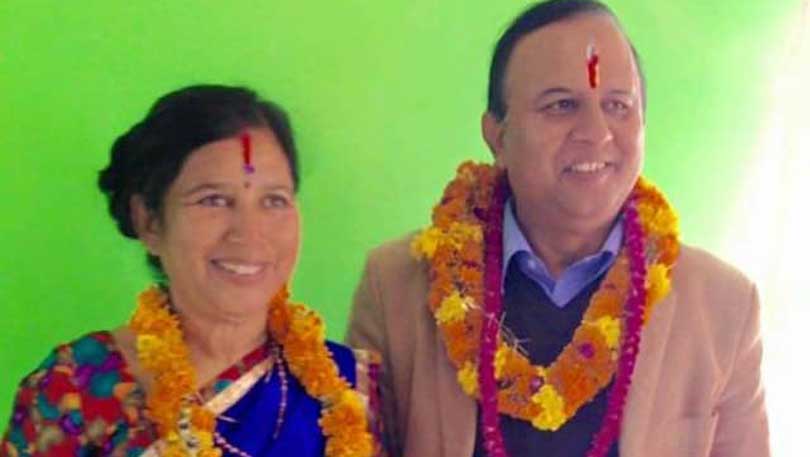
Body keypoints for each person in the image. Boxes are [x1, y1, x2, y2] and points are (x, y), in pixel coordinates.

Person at [346, 1, 769, 456]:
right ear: (497, 136)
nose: (597, 133)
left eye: (618, 105)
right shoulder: (396, 288)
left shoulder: (723, 308)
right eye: (562, 105)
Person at [2, 85, 383, 457]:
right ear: (149, 221)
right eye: (213, 200)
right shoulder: (78, 387)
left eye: (274, 200)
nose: (249, 232)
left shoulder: (351, 388)